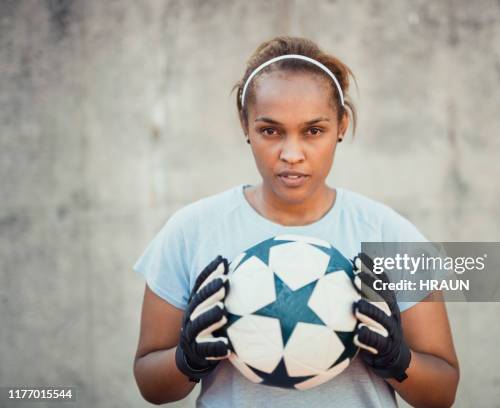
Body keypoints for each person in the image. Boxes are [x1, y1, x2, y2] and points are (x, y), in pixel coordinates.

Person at [133, 36, 459, 407]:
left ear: (341, 125)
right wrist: (185, 360)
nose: (291, 154)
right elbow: (150, 384)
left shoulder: (388, 234)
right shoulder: (191, 231)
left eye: (313, 131)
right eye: (270, 130)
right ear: (245, 125)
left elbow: (443, 392)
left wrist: (399, 361)